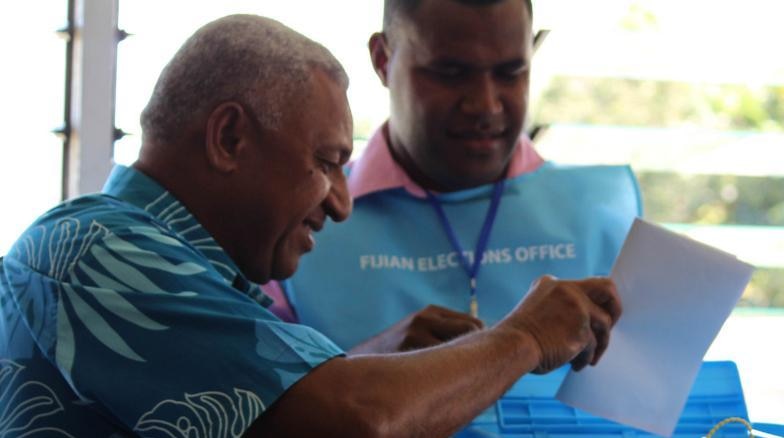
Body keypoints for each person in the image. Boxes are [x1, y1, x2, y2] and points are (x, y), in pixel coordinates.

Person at [0, 14, 622, 438]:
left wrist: (366, 360)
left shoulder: (184, 272)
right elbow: (357, 424)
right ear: (230, 138)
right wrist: (525, 338)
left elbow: (268, 414)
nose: (342, 204)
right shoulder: (97, 249)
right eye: (326, 163)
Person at [276, 0, 641, 355]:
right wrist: (369, 371)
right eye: (451, 74)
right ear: (383, 60)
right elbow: (248, 408)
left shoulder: (605, 215)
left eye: (510, 73)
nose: (486, 105)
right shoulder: (292, 220)